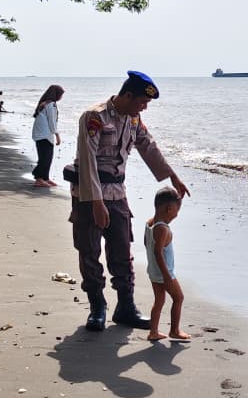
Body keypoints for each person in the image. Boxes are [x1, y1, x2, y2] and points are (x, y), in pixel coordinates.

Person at [72, 71, 190, 331]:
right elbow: (88, 159)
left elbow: (149, 147)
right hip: (88, 195)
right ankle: (97, 307)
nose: (144, 107)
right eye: (141, 102)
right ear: (127, 95)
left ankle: (125, 307)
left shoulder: (134, 120)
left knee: (122, 251)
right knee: (89, 251)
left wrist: (173, 177)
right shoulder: (95, 116)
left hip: (118, 194)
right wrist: (96, 202)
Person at [145, 186, 190, 341]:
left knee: (159, 301)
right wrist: (166, 275)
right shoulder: (163, 229)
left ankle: (153, 332)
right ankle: (175, 330)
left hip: (153, 272)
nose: (177, 214)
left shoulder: (150, 223)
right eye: (177, 210)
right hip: (165, 273)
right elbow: (158, 252)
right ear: (170, 209)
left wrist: (178, 199)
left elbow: (147, 244)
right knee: (179, 298)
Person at [30, 85, 64, 187]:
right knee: (45, 157)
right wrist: (57, 135)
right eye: (61, 95)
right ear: (56, 94)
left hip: (40, 133)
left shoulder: (45, 103)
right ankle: (39, 178)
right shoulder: (51, 105)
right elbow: (52, 122)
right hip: (44, 134)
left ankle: (45, 178)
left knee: (46, 157)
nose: (61, 97)